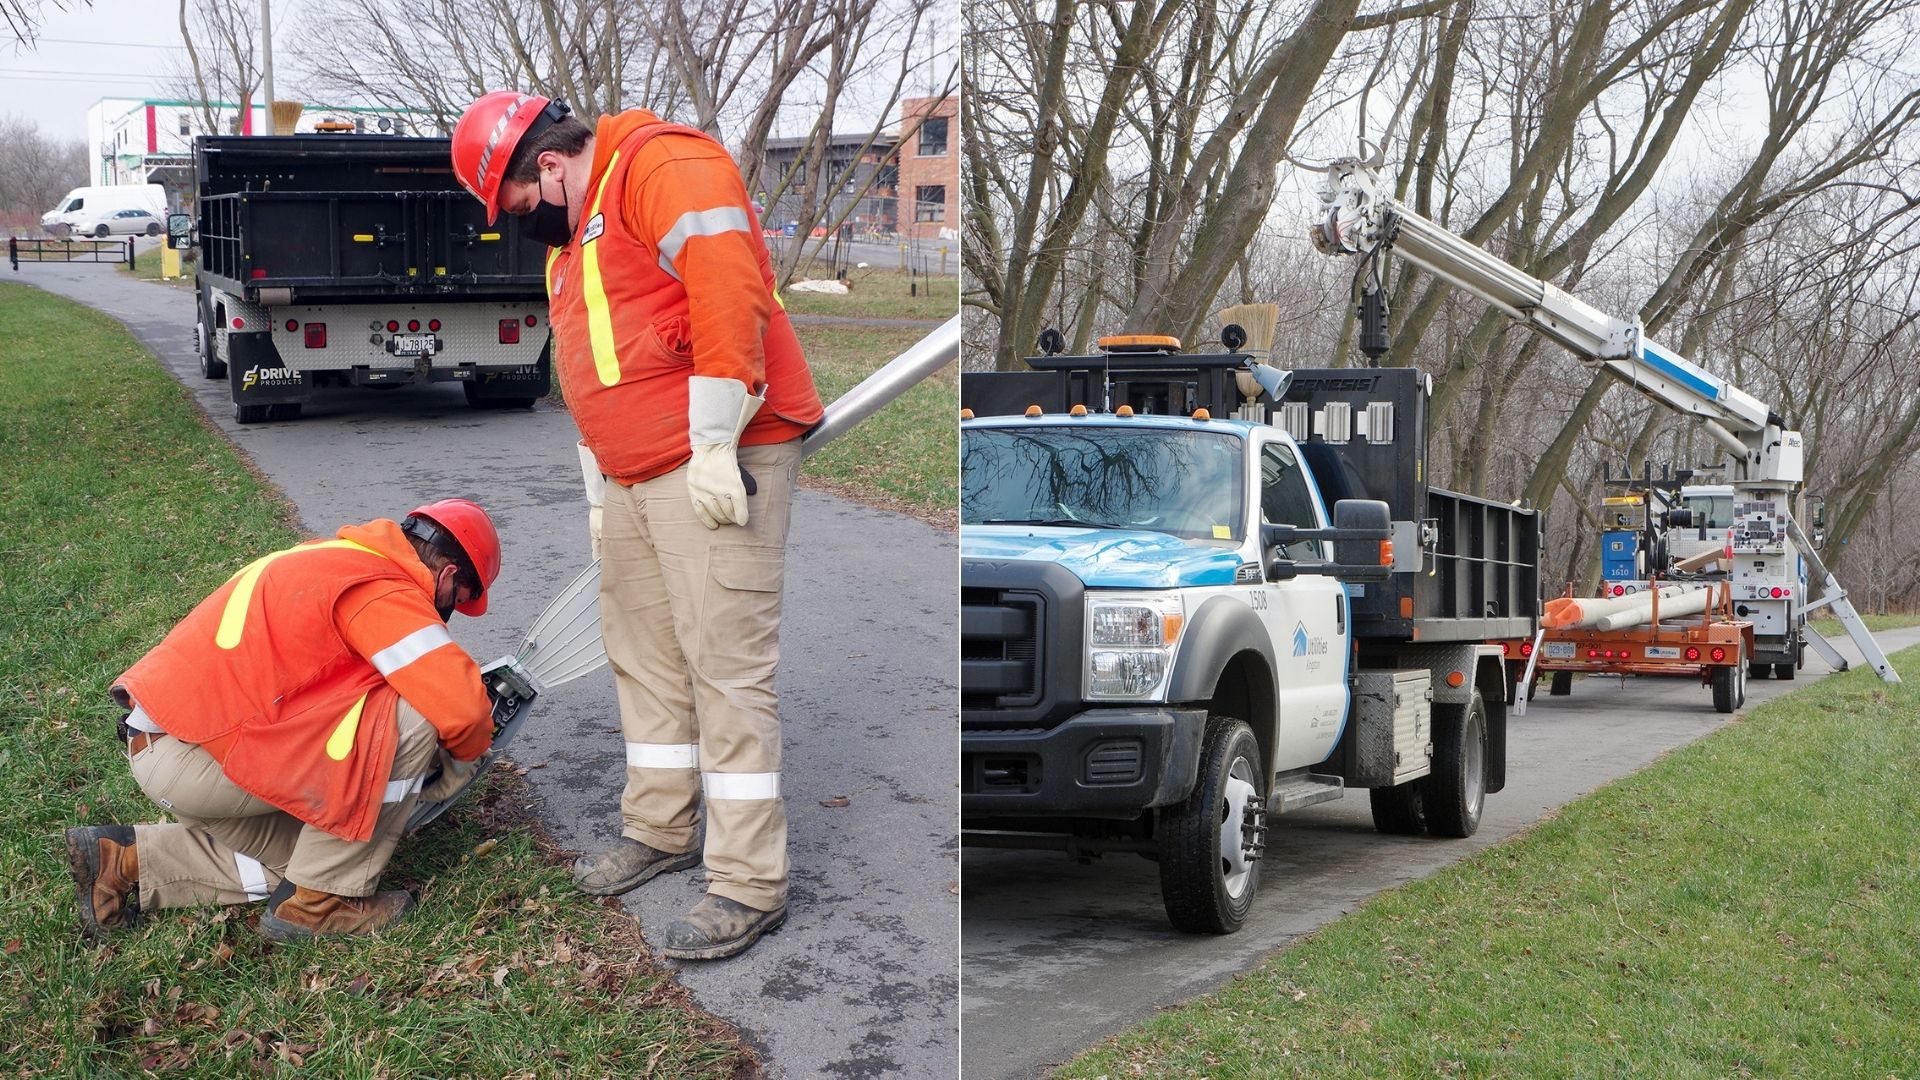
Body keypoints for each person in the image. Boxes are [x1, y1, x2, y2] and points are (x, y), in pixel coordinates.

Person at [450, 91, 825, 960]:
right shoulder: (578, 236)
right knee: (644, 654)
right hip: (633, 475)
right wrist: (599, 492)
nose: (514, 223)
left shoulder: (659, 163)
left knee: (724, 666)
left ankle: (747, 881)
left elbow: (731, 286)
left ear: (546, 164)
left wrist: (710, 442)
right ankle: (659, 828)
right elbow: (594, 370)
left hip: (715, 458)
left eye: (511, 204)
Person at [64, 500, 502, 942]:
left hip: (164, 743)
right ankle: (321, 904)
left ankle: (124, 861)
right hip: (199, 757)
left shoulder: (323, 556)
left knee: (304, 865)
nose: (445, 613)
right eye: (455, 603)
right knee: (414, 717)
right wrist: (456, 768)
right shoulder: (382, 588)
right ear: (447, 576)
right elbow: (461, 708)